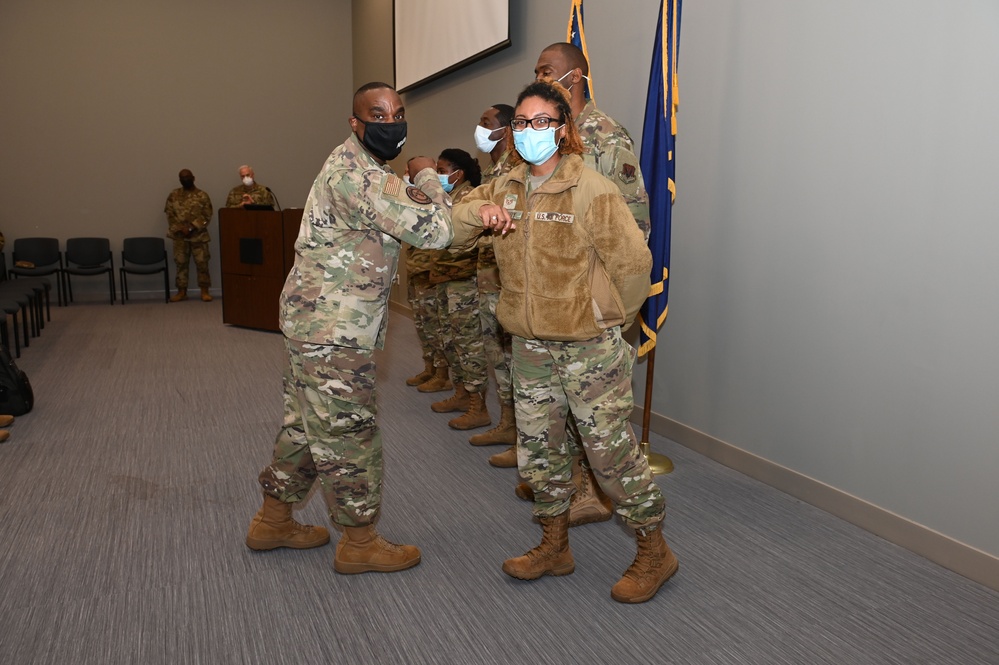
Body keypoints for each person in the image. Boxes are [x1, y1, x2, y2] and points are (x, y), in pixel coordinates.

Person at [451, 80, 676, 604]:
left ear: (564, 129)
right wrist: (476, 212)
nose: (531, 132)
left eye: (543, 122)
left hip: (588, 348)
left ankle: (654, 550)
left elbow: (634, 267)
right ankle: (554, 545)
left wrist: (609, 329)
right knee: (540, 453)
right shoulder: (504, 186)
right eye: (523, 123)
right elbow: (455, 225)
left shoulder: (591, 188)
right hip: (528, 347)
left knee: (609, 457)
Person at [245, 82, 454, 575]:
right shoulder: (359, 177)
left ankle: (273, 520)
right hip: (333, 330)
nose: (392, 122)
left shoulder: (358, 167)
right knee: (348, 432)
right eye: (378, 115)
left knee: (307, 425)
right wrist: (427, 175)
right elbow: (436, 230)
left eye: (398, 113)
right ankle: (359, 542)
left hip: (315, 324)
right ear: (355, 123)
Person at [517, 41, 655, 523]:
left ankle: (603, 495)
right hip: (551, 308)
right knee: (555, 416)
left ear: (575, 78)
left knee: (600, 424)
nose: (540, 76)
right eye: (536, 70)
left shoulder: (605, 136)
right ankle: (574, 489)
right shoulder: (544, 136)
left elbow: (633, 229)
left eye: (548, 70)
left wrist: (613, 312)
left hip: (593, 308)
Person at [467, 104, 521, 461]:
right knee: (496, 354)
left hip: (508, 281)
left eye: (486, 122)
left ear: (505, 129)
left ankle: (526, 439)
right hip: (487, 278)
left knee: (516, 358)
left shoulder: (518, 171)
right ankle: (508, 423)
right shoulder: (491, 172)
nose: (480, 128)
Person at [426, 148, 490, 430]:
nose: (439, 175)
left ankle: (479, 407)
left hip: (464, 282)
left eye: (442, 169)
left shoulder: (470, 197)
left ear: (458, 172)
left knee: (468, 344)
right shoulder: (450, 197)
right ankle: (462, 394)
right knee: (451, 341)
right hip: (444, 278)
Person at [164, 169, 214, 302]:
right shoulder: (173, 195)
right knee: (181, 264)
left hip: (199, 236)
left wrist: (192, 227)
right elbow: (170, 214)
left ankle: (204, 291)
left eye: (187, 177)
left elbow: (207, 215)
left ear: (193, 177)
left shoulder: (202, 195)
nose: (185, 179)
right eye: (182, 178)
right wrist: (181, 228)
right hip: (180, 236)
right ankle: (181, 292)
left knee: (202, 264)